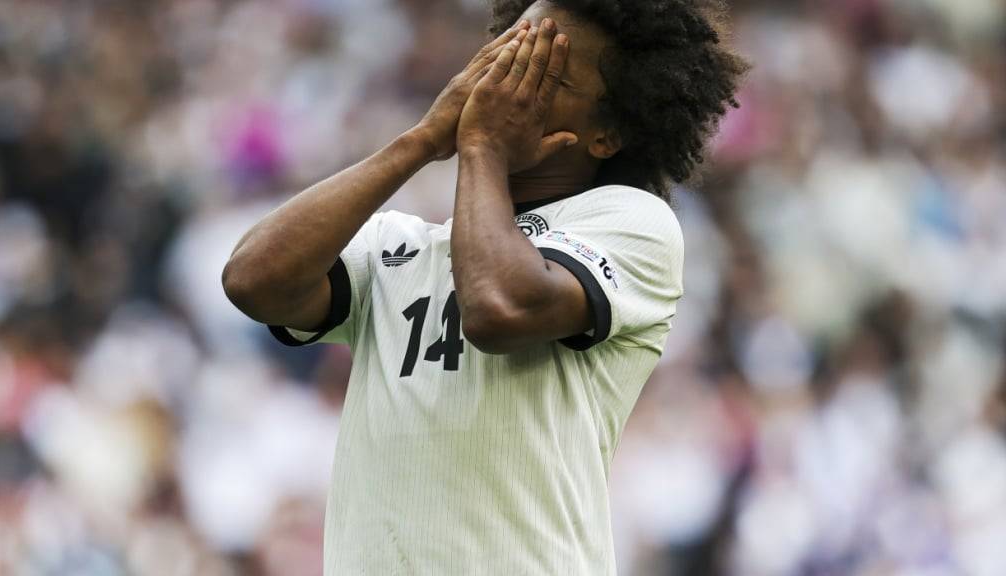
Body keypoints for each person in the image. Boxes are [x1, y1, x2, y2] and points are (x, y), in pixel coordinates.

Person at [223, 1, 747, 573]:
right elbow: (252, 281)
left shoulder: (633, 223)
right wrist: (423, 140)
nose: (504, 84)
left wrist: (483, 149)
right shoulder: (400, 243)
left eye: (545, 73)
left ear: (606, 134)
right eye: (506, 54)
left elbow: (497, 307)